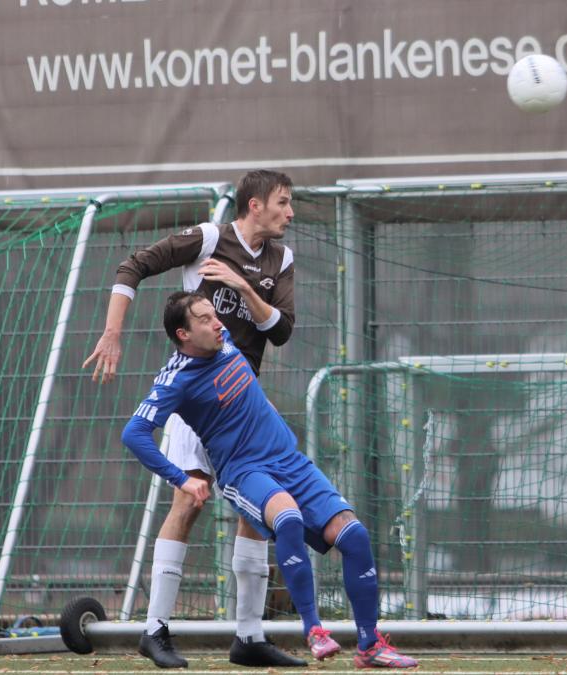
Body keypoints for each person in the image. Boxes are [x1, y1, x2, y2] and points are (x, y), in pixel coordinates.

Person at [122, 292, 418, 669]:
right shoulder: (176, 379)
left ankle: (369, 646)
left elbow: (241, 388)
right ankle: (313, 630)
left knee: (355, 535)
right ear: (183, 333)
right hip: (245, 472)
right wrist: (181, 478)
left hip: (289, 460)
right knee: (289, 519)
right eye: (205, 319)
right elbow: (134, 433)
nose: (218, 323)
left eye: (216, 315)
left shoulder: (224, 343)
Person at [83, 170, 302, 668]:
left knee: (258, 513)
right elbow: (131, 267)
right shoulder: (208, 238)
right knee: (189, 500)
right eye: (283, 203)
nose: (290, 213)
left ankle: (248, 637)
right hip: (198, 402)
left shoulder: (281, 260)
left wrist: (246, 288)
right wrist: (112, 332)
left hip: (245, 405)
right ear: (254, 204)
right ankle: (155, 629)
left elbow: (282, 331)